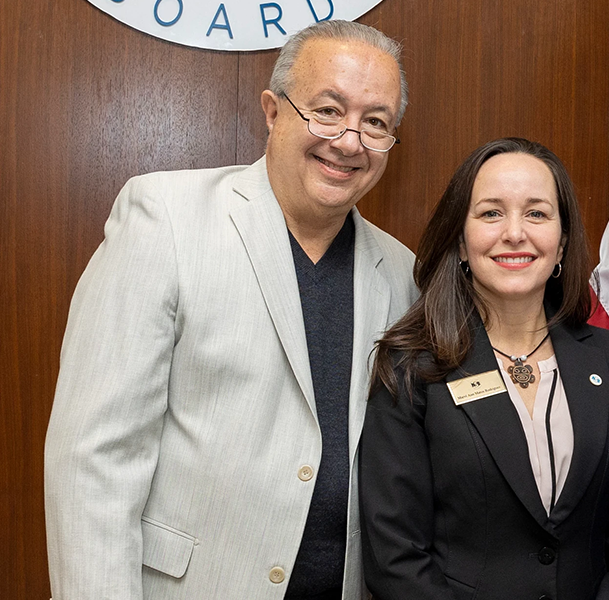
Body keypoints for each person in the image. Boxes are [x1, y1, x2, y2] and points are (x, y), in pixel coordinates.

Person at [44, 20, 418, 600]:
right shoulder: (164, 219)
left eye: (376, 123)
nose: (349, 141)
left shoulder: (401, 273)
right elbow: (93, 463)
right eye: (328, 110)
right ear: (273, 112)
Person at [358, 138, 609, 600]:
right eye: (491, 213)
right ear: (459, 240)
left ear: (563, 239)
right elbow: (396, 558)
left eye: (536, 213)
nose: (515, 233)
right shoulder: (412, 368)